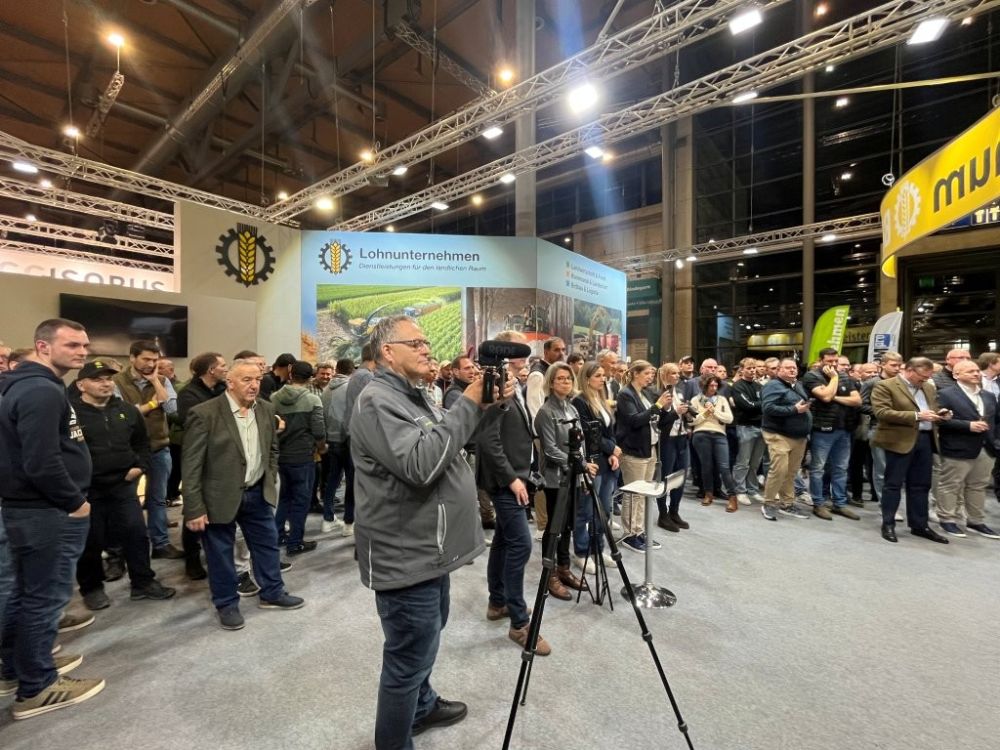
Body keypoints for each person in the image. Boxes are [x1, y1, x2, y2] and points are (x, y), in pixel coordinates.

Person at [351, 315, 508, 750]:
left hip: (428, 548)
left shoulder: (416, 396)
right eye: (415, 342)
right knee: (407, 657)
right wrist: (468, 405)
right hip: (405, 554)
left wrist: (488, 407)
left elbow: (452, 443)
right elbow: (421, 465)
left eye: (425, 342)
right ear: (387, 351)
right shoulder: (377, 401)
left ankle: (422, 706)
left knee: (428, 633)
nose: (426, 348)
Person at [0, 318, 105, 718]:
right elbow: (41, 461)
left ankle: (20, 666)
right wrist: (74, 501)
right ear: (43, 347)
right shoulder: (41, 391)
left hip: (31, 509)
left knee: (26, 595)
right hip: (47, 510)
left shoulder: (26, 385)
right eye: (73, 345)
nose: (82, 352)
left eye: (85, 345)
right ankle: (37, 686)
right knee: (44, 598)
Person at [182, 359, 305, 630]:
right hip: (218, 497)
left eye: (258, 379)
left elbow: (272, 449)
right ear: (230, 382)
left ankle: (272, 593)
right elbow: (191, 465)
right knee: (220, 555)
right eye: (247, 379)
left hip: (257, 492)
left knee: (267, 545)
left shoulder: (266, 409)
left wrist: (269, 478)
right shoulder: (204, 413)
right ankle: (226, 604)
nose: (254, 384)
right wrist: (193, 507)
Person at [73, 361, 175, 609]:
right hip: (89, 490)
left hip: (123, 485)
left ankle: (142, 583)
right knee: (91, 540)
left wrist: (139, 466)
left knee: (136, 534)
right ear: (80, 385)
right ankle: (92, 588)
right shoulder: (71, 413)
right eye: (97, 379)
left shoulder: (128, 411)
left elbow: (142, 444)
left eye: (108, 378)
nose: (105, 383)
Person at [113, 340, 183, 560]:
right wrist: (153, 404)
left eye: (154, 360)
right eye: (146, 359)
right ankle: (125, 549)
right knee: (126, 502)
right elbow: (122, 416)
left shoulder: (161, 380)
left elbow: (172, 409)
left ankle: (160, 544)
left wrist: (156, 381)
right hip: (128, 451)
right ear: (132, 358)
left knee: (158, 499)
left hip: (159, 448)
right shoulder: (116, 381)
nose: (150, 364)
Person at [871, 356, 951, 545]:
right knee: (893, 484)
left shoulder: (929, 387)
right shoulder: (886, 386)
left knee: (921, 485)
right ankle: (888, 523)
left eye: (928, 377)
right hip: (899, 440)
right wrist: (916, 415)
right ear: (909, 370)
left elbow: (931, 408)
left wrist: (940, 414)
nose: (925, 380)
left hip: (925, 439)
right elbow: (882, 413)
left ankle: (919, 525)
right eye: (922, 376)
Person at [535, 362, 593, 598]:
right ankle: (550, 575)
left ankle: (564, 568)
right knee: (554, 527)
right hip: (555, 479)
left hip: (574, 476)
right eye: (560, 379)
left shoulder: (572, 409)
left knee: (568, 525)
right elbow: (549, 450)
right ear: (551, 382)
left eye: (568, 378)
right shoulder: (545, 412)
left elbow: (581, 443)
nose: (565, 382)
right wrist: (579, 464)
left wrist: (584, 467)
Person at [175, 352, 228, 580]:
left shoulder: (222, 389)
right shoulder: (189, 394)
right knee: (194, 510)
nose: (227, 369)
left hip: (221, 455)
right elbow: (195, 423)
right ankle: (192, 559)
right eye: (223, 365)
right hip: (199, 456)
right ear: (211, 370)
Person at [935, 360, 1000, 539]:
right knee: (951, 484)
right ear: (956, 375)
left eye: (977, 370)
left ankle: (976, 521)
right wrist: (967, 425)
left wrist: (996, 441)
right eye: (970, 371)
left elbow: (997, 420)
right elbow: (939, 419)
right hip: (958, 446)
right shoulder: (945, 394)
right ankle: (947, 519)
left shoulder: (988, 396)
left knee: (978, 486)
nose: (976, 374)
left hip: (986, 448)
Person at [615, 360, 671, 552]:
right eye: (647, 373)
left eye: (652, 374)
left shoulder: (646, 393)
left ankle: (639, 531)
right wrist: (657, 405)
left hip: (651, 447)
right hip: (633, 449)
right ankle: (630, 534)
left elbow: (655, 418)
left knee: (644, 494)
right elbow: (634, 420)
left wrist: (667, 409)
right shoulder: (625, 394)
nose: (650, 377)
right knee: (633, 494)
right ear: (635, 373)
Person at [271, 361, 326, 555]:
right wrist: (322, 447)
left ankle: (278, 535)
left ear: (290, 374)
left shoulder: (274, 398)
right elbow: (319, 431)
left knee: (285, 497)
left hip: (281, 456)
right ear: (311, 377)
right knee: (301, 501)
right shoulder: (313, 400)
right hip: (303, 456)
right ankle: (295, 542)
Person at [801, 348, 862, 521]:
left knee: (841, 468)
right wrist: (834, 379)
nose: (833, 365)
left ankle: (839, 504)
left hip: (844, 429)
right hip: (823, 429)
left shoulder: (844, 376)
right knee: (818, 468)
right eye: (829, 362)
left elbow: (857, 400)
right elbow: (825, 397)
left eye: (836, 361)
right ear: (821, 361)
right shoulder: (812, 376)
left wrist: (835, 396)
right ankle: (818, 503)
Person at [573, 363, 623, 558]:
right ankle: (581, 552)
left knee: (604, 511)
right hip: (593, 463)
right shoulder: (580, 401)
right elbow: (588, 432)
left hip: (608, 461)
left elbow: (610, 430)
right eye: (598, 376)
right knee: (585, 511)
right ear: (586, 378)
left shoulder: (602, 399)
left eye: (603, 375)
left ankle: (598, 548)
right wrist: (612, 448)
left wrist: (613, 453)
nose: (603, 379)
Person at [445, 355, 496, 530]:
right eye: (467, 368)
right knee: (467, 496)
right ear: (455, 371)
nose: (472, 371)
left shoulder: (472, 391)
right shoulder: (455, 394)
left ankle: (477, 530)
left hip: (477, 450)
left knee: (479, 494)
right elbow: (464, 424)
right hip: (466, 452)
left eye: (473, 367)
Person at [759, 359, 812, 522]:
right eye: (788, 368)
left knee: (791, 472)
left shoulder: (796, 385)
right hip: (778, 434)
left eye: (794, 368)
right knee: (779, 470)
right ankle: (768, 503)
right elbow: (768, 408)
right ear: (779, 370)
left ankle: (787, 504)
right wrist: (794, 409)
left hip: (799, 436)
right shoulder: (773, 385)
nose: (792, 370)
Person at [689, 374, 740, 512]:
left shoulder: (722, 400)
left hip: (719, 435)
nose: (714, 387)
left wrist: (715, 412)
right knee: (706, 466)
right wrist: (706, 413)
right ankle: (708, 493)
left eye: (716, 385)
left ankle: (732, 496)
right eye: (711, 385)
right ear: (704, 386)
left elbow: (729, 419)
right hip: (701, 434)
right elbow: (692, 421)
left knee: (724, 467)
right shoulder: (695, 400)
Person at [651, 362, 689, 531]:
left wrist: (687, 414)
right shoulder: (657, 393)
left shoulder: (679, 392)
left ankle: (675, 511)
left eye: (678, 373)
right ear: (664, 374)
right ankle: (663, 514)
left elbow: (681, 416)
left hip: (681, 438)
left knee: (681, 477)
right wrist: (676, 413)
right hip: (666, 440)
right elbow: (659, 422)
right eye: (673, 373)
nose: (677, 376)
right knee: (665, 478)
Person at [319, 358, 354, 534]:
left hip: (330, 441)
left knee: (332, 480)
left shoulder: (325, 390)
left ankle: (328, 518)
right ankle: (349, 523)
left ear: (336, 370)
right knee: (351, 482)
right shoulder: (351, 389)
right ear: (351, 371)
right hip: (348, 441)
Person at [730, 358, 765, 506]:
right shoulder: (737, 386)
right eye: (749, 368)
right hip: (745, 427)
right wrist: (762, 405)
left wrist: (760, 405)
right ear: (742, 370)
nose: (752, 371)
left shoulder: (759, 386)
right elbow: (746, 406)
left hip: (761, 427)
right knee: (743, 461)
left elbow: (764, 404)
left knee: (755, 462)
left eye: (754, 368)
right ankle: (740, 491)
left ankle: (753, 489)